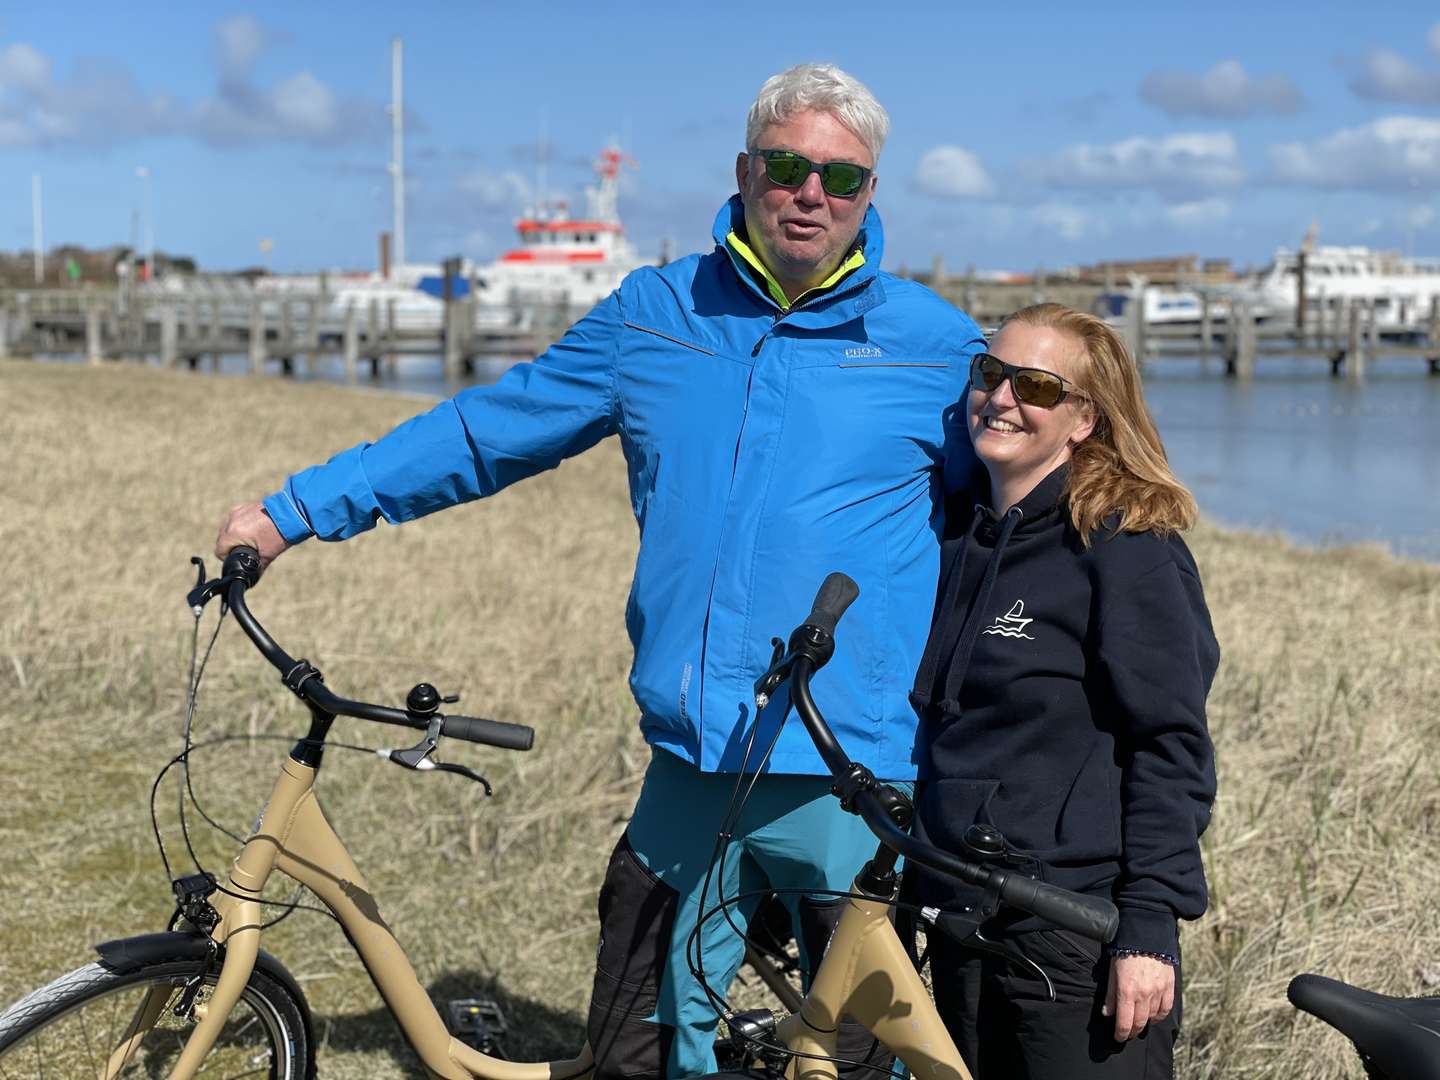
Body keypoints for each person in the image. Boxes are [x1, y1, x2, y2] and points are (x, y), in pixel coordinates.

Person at [214, 64, 985, 1080]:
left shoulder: (936, 346)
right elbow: (488, 432)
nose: (812, 195)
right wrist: (296, 512)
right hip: (691, 762)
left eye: (842, 179)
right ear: (747, 170)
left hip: (846, 769)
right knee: (628, 1055)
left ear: (870, 195)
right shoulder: (653, 314)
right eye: (791, 166)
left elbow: (1049, 496)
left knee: (850, 1063)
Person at [907, 303, 1218, 1078]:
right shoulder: (954, 537)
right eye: (992, 373)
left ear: (1083, 419)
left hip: (1072, 927)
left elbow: (1170, 746)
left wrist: (1148, 927)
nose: (1003, 397)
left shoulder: (1123, 547)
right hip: (962, 915)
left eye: (1037, 386)